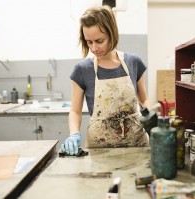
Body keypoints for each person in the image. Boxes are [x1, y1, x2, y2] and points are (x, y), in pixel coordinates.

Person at [61, 5, 150, 155]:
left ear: (112, 34)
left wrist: (151, 119)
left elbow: (144, 101)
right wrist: (74, 134)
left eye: (99, 40)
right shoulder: (82, 70)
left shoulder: (133, 62)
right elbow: (75, 111)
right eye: (89, 42)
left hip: (136, 145)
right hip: (100, 150)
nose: (94, 48)